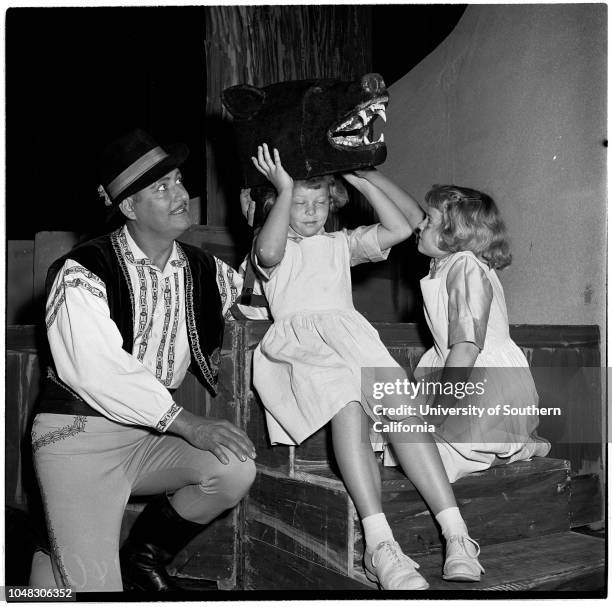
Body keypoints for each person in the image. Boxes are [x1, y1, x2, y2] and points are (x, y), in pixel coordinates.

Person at [248, 143, 484, 590]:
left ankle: (457, 534)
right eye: (299, 202)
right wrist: (282, 190)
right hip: (303, 350)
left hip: (352, 341)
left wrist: (358, 178)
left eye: (320, 202)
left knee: (401, 407)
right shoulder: (269, 245)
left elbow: (400, 227)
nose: (312, 211)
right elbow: (271, 253)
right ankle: (380, 544)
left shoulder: (340, 244)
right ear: (277, 202)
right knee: (348, 401)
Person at [30, 129, 258, 592]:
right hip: (79, 437)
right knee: (91, 592)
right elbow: (97, 370)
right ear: (129, 208)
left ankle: (142, 554)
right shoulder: (82, 271)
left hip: (150, 436)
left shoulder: (203, 268)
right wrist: (189, 423)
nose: (180, 195)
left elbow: (263, 288)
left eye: (178, 181)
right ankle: (42, 578)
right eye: (162, 187)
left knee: (233, 467)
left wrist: (273, 214)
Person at [386, 184, 550, 481]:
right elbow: (411, 216)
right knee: (408, 450)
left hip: (480, 376)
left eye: (430, 221)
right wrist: (368, 176)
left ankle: (517, 448)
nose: (420, 225)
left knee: (430, 457)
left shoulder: (464, 265)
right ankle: (503, 448)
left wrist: (439, 411)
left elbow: (466, 348)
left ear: (454, 233)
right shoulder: (445, 258)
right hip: (454, 370)